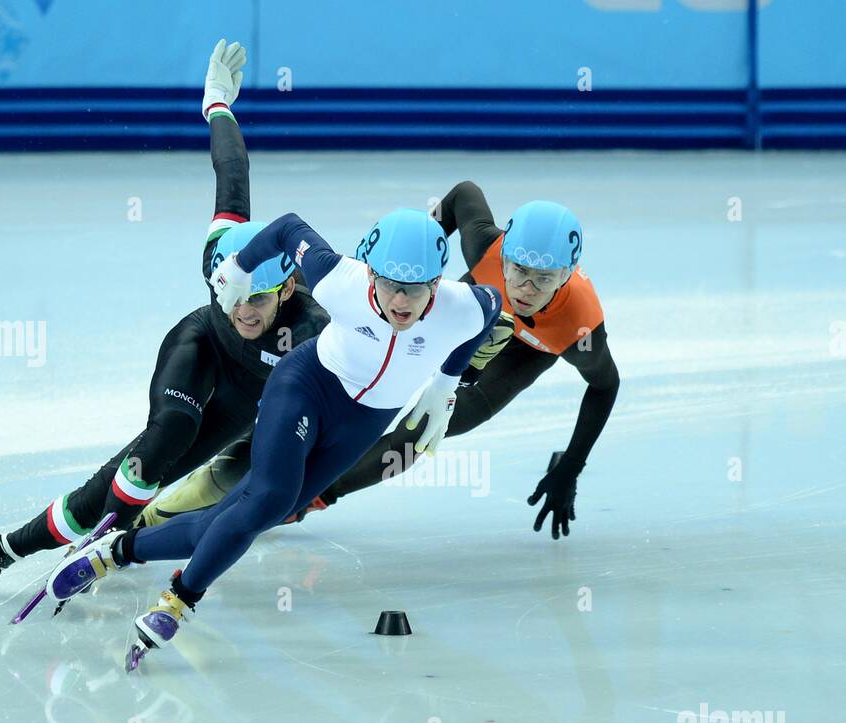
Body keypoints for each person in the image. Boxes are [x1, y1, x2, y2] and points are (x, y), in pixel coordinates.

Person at [0, 39, 329, 595]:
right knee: (166, 434)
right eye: (233, 295)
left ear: (288, 286)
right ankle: (62, 546)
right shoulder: (226, 252)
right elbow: (231, 170)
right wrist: (217, 102)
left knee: (137, 475)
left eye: (258, 302)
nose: (242, 310)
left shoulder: (314, 325)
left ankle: (10, 547)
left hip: (245, 399)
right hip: (200, 348)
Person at [42, 208, 501, 669]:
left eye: (416, 288)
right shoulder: (340, 280)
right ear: (371, 274)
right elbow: (286, 228)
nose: (402, 301)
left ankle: (115, 551)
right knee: (267, 499)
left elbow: (490, 310)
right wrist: (239, 268)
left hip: (364, 421)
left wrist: (445, 385)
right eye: (389, 285)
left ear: (436, 285)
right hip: (306, 385)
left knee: (241, 519)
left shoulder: (461, 307)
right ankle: (177, 603)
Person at [137, 180, 619, 539]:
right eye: (518, 270)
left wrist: (570, 466)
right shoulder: (487, 246)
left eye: (544, 279)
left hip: (522, 354)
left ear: (568, 275)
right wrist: (427, 246)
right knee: (343, 361)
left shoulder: (580, 324)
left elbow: (604, 387)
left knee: (421, 436)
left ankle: (319, 494)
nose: (526, 289)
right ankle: (257, 443)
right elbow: (464, 194)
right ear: (504, 252)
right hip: (458, 320)